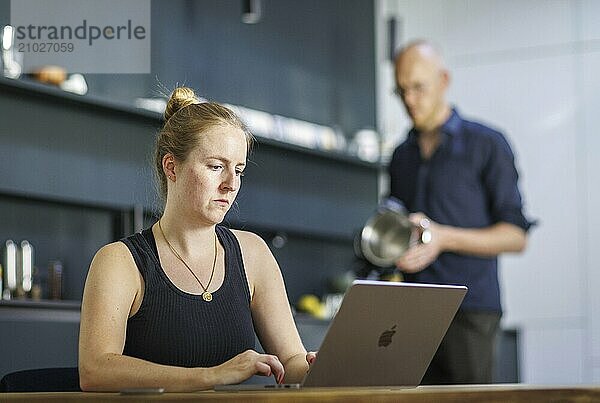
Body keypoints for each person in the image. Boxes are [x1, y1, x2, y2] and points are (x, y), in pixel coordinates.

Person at [78, 87, 315, 392]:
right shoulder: (120, 261)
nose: (231, 184)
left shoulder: (253, 252)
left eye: (239, 170)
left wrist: (316, 368)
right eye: (216, 167)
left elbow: (292, 360)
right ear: (172, 167)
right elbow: (95, 370)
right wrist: (211, 376)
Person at [389, 40, 532, 384]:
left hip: (471, 312)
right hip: (411, 313)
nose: (409, 100)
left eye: (418, 88)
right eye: (401, 91)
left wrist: (442, 237)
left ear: (444, 80)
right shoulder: (401, 156)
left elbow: (516, 237)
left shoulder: (487, 144)